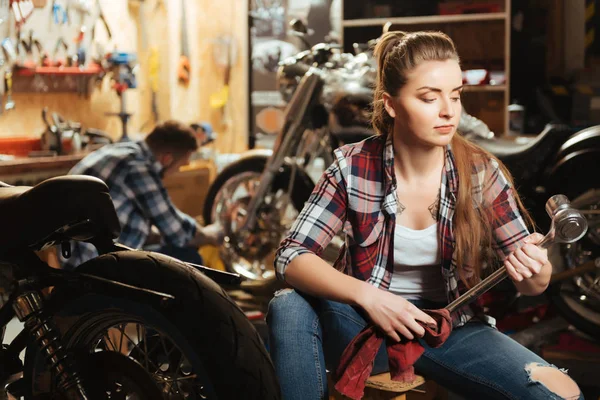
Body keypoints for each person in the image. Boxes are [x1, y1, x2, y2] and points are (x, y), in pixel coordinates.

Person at [267, 31, 583, 400]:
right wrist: (371, 298)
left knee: (563, 396)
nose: (448, 111)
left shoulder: (481, 172)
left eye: (456, 95)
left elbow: (534, 285)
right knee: (288, 305)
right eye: (429, 98)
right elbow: (291, 256)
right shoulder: (351, 166)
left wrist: (536, 266)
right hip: (363, 322)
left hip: (449, 327)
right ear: (391, 105)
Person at [59, 120, 223, 270]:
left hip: (74, 255)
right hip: (92, 266)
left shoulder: (122, 152)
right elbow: (177, 233)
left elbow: (139, 226)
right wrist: (211, 234)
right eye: (180, 166)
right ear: (167, 159)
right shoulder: (138, 169)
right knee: (188, 259)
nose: (176, 172)